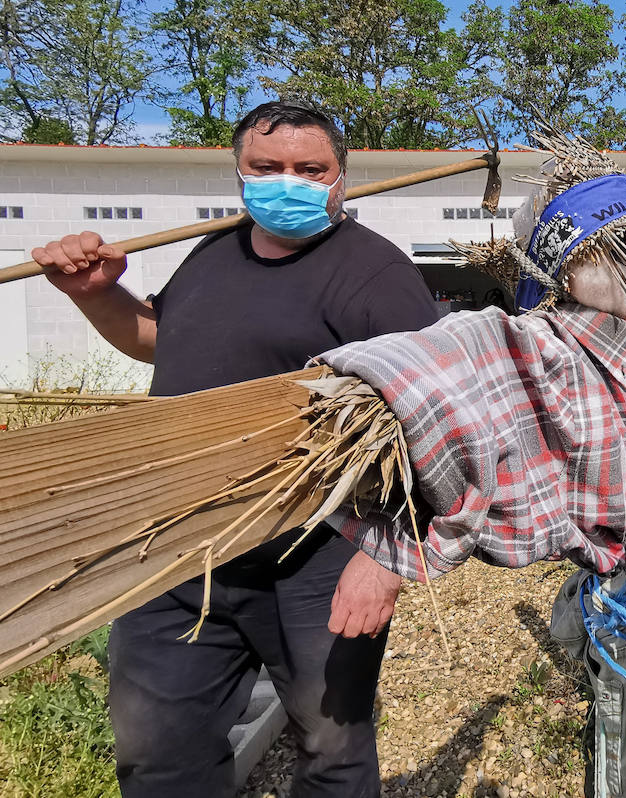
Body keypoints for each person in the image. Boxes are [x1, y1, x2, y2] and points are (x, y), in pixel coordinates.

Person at [30, 100, 440, 798]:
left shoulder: (377, 275)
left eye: (310, 169)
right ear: (239, 172)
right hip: (174, 549)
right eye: (267, 167)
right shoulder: (212, 252)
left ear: (341, 176)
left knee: (332, 750)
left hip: (311, 555)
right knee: (158, 755)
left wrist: (387, 560)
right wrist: (97, 296)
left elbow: (434, 423)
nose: (288, 181)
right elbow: (160, 339)